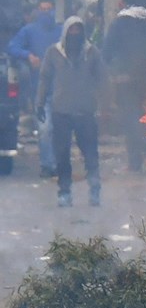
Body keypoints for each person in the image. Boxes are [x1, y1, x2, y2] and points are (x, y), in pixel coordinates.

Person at [36, 16, 106, 207]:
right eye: (71, 30)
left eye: (78, 30)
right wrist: (40, 104)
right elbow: (44, 79)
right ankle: (64, 191)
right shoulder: (54, 52)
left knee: (90, 152)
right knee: (62, 154)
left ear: (83, 32)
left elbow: (102, 80)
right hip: (61, 111)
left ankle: (94, 189)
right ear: (66, 32)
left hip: (85, 111)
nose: (75, 34)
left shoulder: (92, 53)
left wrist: (105, 105)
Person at [103, 0, 146, 173]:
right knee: (140, 116)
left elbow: (107, 50)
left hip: (125, 79)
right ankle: (137, 161)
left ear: (123, 1)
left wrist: (109, 71)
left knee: (131, 119)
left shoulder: (120, 23)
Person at [7, 0, 59, 177]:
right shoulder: (29, 31)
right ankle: (47, 165)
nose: (46, 13)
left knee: (59, 130)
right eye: (42, 9)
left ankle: (59, 163)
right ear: (37, 11)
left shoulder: (62, 31)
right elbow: (12, 47)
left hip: (63, 90)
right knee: (44, 129)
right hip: (40, 91)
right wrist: (28, 55)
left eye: (49, 9)